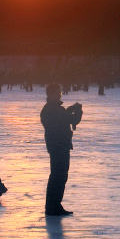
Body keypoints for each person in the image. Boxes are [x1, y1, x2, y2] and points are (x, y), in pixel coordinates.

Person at [40, 83, 81, 216]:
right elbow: (71, 119)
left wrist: (69, 111)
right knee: (59, 177)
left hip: (57, 145)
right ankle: (53, 206)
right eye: (58, 93)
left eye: (60, 93)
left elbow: (66, 118)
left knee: (58, 177)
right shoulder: (52, 110)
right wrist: (77, 111)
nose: (59, 95)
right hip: (59, 146)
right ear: (51, 94)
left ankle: (54, 205)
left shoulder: (51, 109)